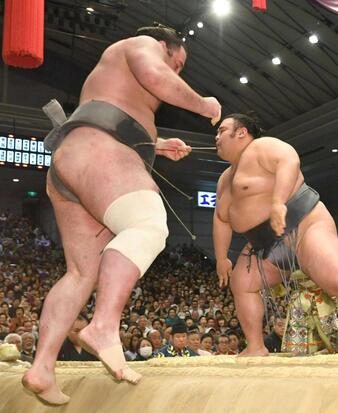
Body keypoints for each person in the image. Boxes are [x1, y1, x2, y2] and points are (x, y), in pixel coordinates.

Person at [22, 24, 221, 405]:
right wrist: (203, 104)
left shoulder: (114, 70)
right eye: (177, 63)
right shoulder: (142, 44)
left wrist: (156, 145)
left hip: (76, 158)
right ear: (165, 45)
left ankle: (42, 368)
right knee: (147, 224)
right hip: (101, 150)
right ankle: (103, 325)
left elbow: (116, 106)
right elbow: (154, 74)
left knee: (81, 273)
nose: (176, 72)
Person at [213, 113, 338, 356]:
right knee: (242, 283)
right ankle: (256, 346)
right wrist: (221, 257)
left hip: (304, 224)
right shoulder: (224, 180)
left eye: (222, 130)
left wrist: (278, 202)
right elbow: (221, 219)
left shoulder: (261, 147)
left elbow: (289, 160)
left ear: (241, 132)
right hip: (265, 245)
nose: (217, 136)